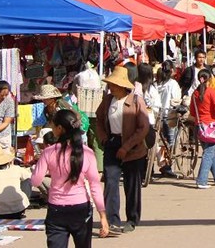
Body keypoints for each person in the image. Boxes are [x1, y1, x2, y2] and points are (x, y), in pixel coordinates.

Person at [31, 109, 110, 245]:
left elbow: (36, 180)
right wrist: (103, 216)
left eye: (53, 126)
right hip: (81, 209)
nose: (52, 129)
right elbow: (95, 185)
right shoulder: (88, 152)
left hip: (56, 210)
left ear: (60, 128)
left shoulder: (48, 152)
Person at [95, 66, 149, 235]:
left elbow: (143, 127)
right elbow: (98, 120)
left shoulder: (135, 101)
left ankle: (132, 219)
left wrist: (126, 147)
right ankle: (112, 220)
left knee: (131, 185)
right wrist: (103, 137)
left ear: (122, 86)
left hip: (133, 147)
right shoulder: (107, 100)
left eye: (113, 84)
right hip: (112, 143)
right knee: (110, 182)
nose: (111, 87)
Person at [190, 70, 215, 189]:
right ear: (209, 79)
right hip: (211, 126)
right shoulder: (211, 92)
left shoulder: (194, 94)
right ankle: (202, 180)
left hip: (199, 126)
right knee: (209, 153)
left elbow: (192, 111)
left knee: (210, 152)